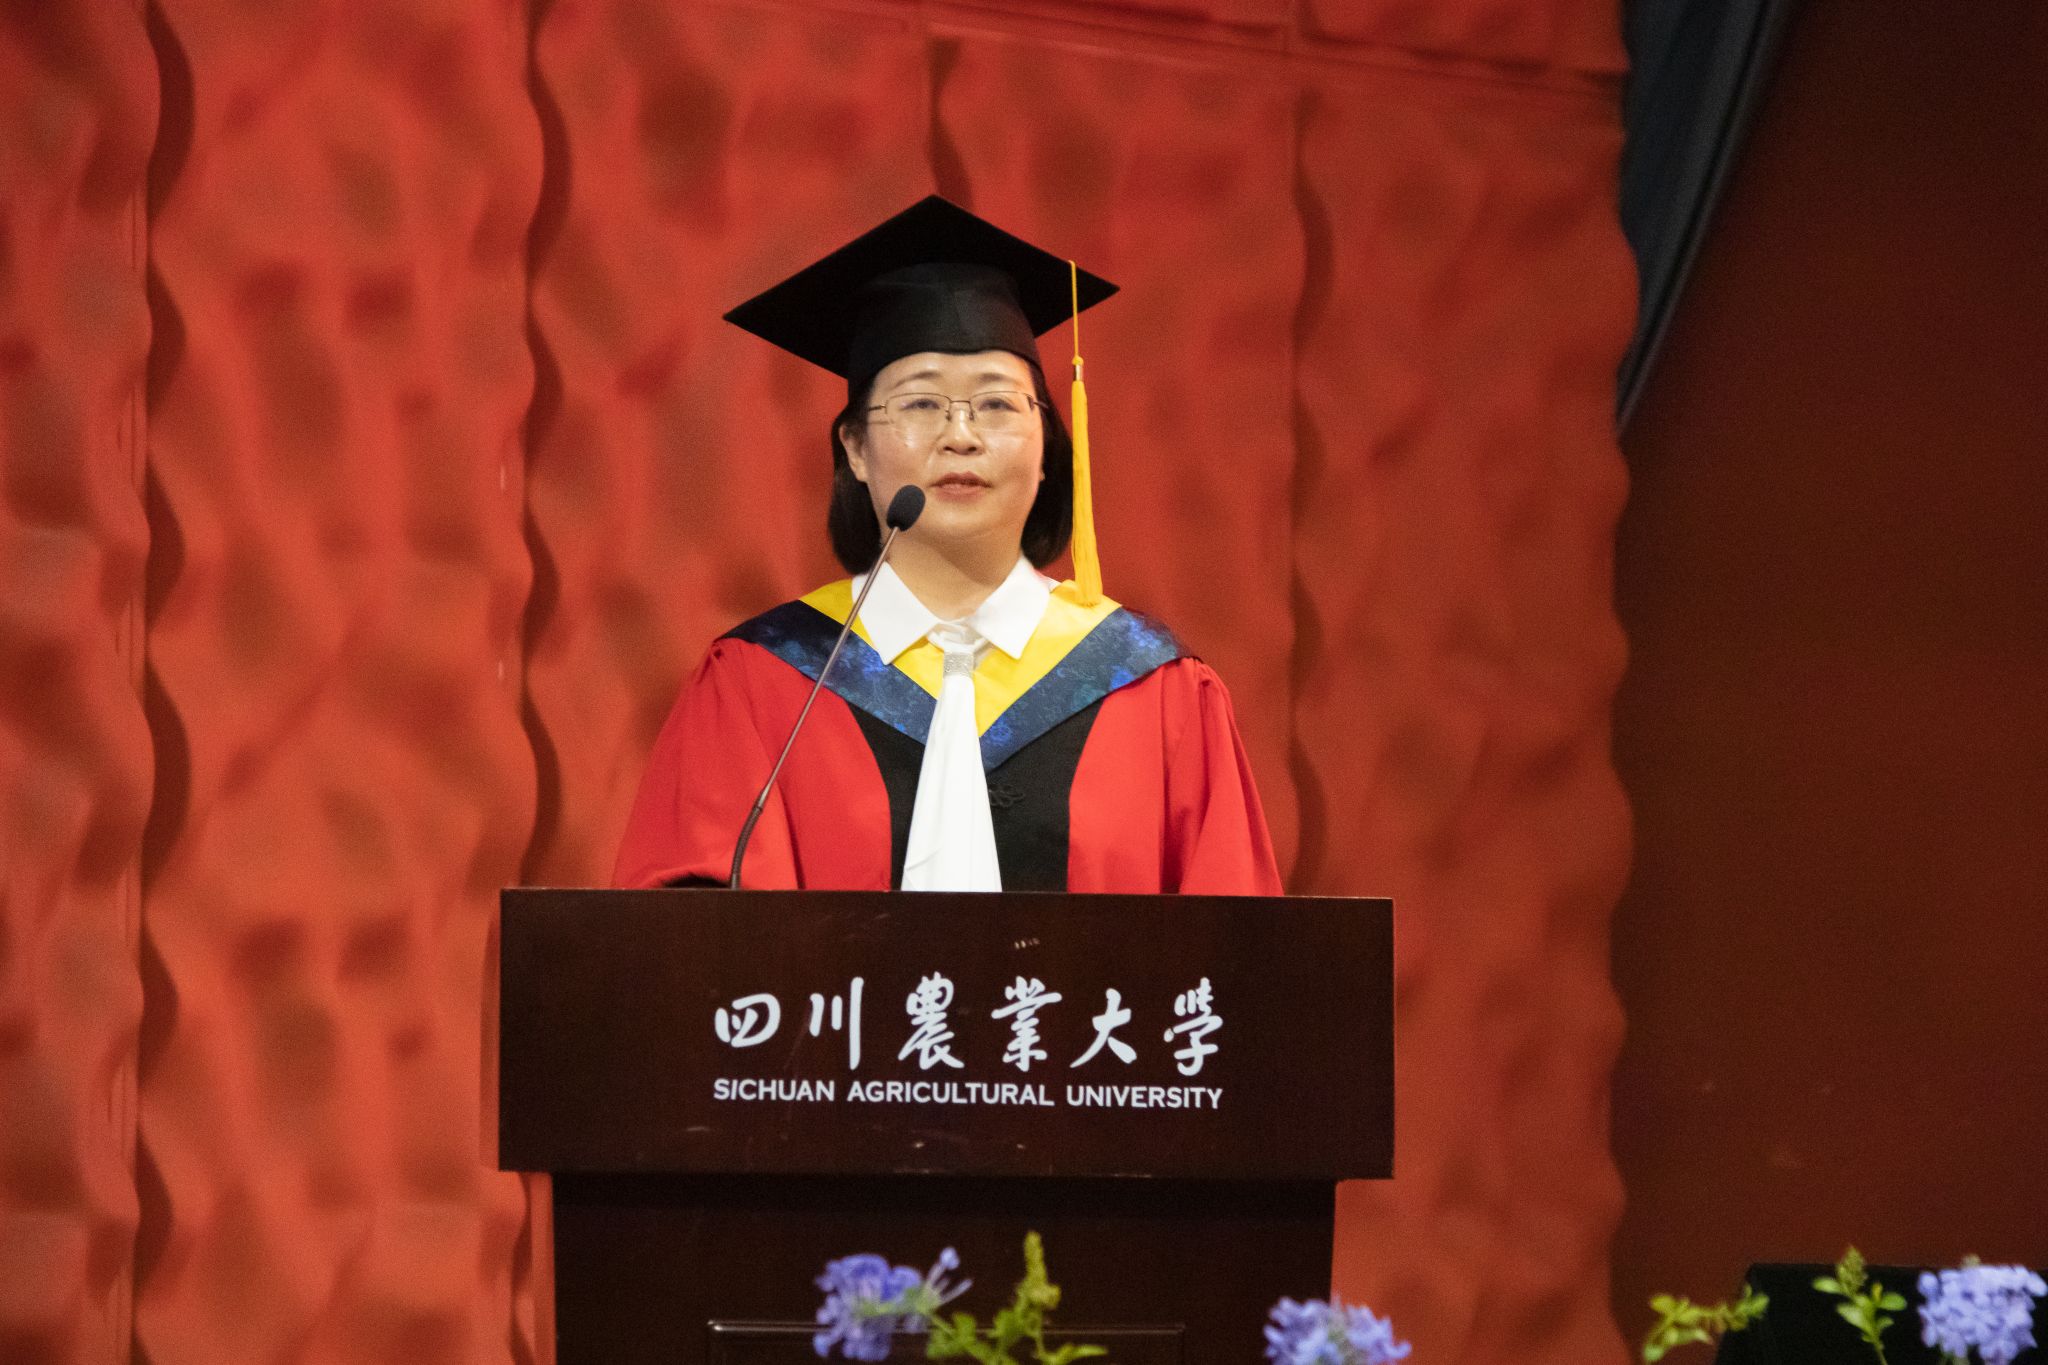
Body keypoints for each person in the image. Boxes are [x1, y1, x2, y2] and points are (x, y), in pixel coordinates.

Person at [613, 197, 1279, 895]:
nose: (961, 436)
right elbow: (693, 945)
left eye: (997, 404)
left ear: (1048, 446)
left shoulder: (1155, 689)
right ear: (855, 449)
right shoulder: (763, 684)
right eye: (921, 404)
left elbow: (1234, 943)